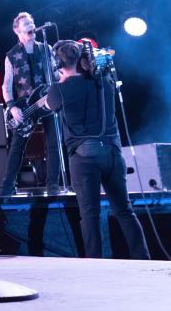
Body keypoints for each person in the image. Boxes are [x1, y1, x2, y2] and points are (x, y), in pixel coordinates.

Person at [45, 41, 150, 259]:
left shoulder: (58, 89)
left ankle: (95, 266)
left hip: (84, 159)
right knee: (125, 211)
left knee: (90, 215)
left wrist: (61, 80)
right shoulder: (105, 81)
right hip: (112, 154)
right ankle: (144, 260)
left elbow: (50, 105)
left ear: (57, 63)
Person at [0, 12, 62, 196]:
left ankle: (53, 186)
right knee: (18, 146)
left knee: (53, 143)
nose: (31, 25)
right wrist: (12, 106)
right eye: (26, 23)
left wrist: (64, 74)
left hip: (47, 100)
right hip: (26, 106)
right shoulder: (12, 55)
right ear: (17, 30)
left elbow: (56, 75)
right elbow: (6, 85)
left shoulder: (46, 48)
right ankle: (7, 187)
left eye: (32, 22)